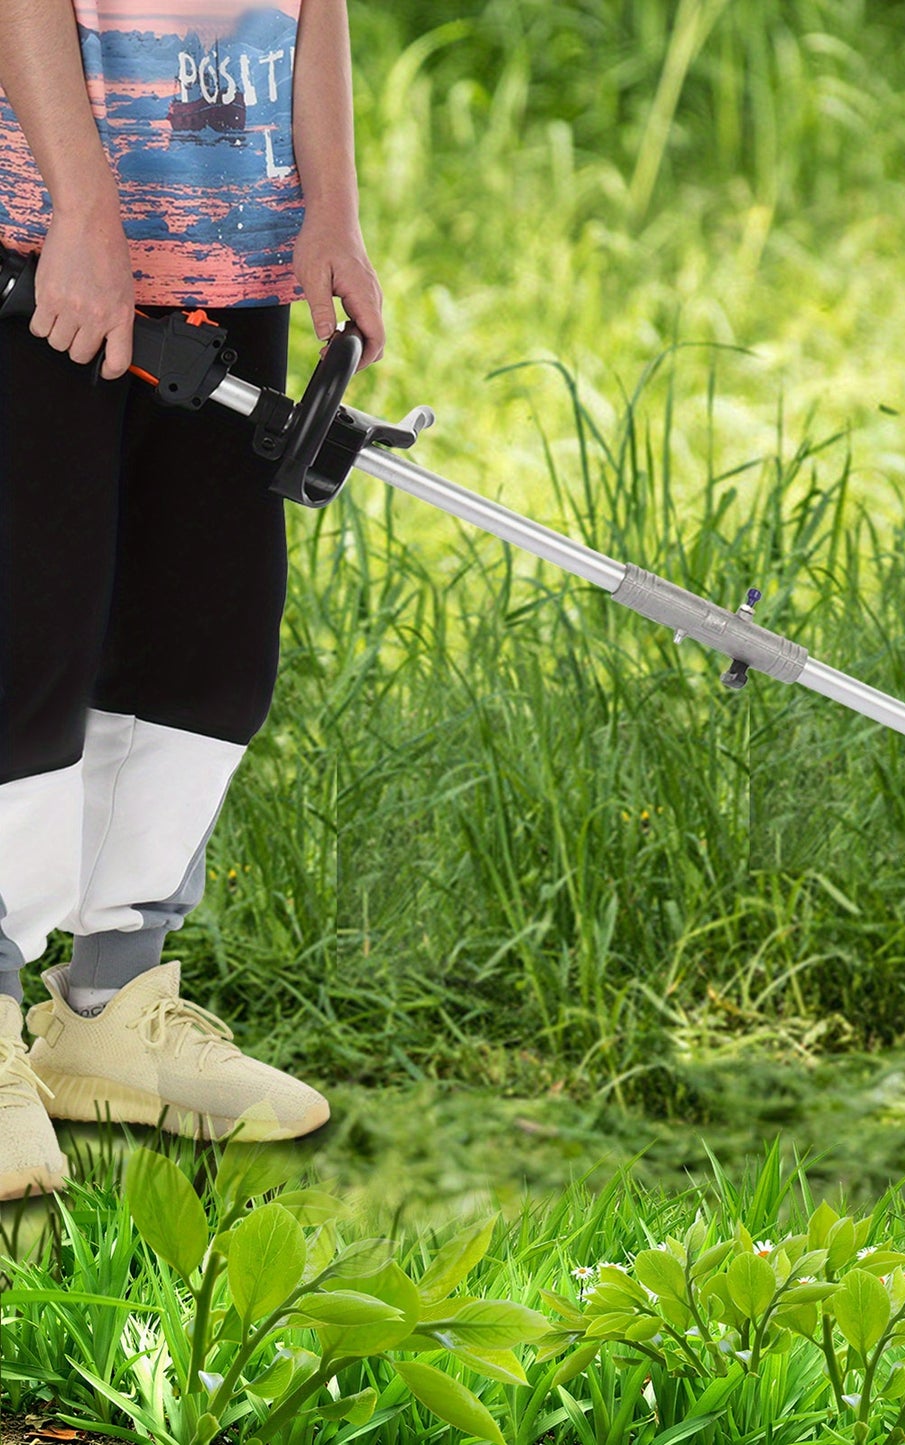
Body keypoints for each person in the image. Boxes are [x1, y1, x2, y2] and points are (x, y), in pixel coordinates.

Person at [0, 0, 384, 1201]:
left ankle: (111, 1007)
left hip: (236, 262)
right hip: (48, 256)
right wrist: (84, 209)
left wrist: (332, 210)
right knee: (28, 637)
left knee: (204, 645)